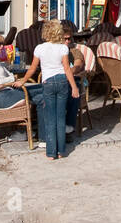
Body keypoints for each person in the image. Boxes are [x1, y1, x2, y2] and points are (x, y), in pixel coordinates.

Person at [19, 20, 80, 159]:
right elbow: (66, 69)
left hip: (48, 82)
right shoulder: (63, 48)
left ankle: (51, 152)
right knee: (60, 117)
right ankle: (61, 150)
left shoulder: (39, 48)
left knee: (50, 117)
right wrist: (74, 87)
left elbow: (33, 68)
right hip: (62, 81)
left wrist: (23, 80)